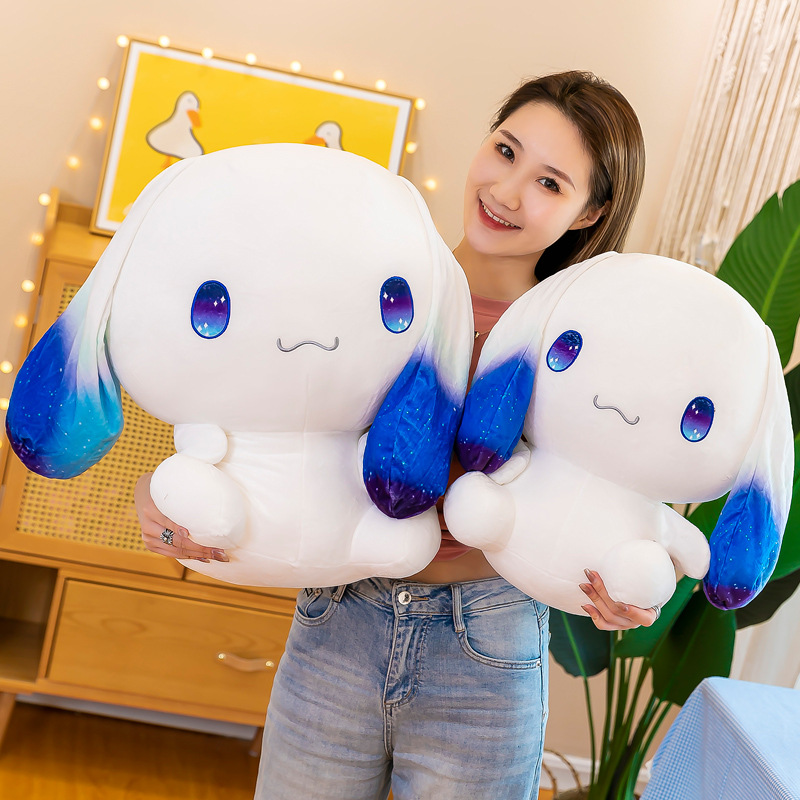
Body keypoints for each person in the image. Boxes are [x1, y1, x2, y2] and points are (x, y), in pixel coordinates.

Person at [135, 70, 654, 799]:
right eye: (506, 151)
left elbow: (613, 501)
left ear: (590, 212)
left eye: (549, 183)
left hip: (487, 656)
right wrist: (159, 499)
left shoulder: (587, 347)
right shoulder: (366, 286)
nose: (507, 192)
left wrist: (627, 589)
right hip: (338, 622)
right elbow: (253, 420)